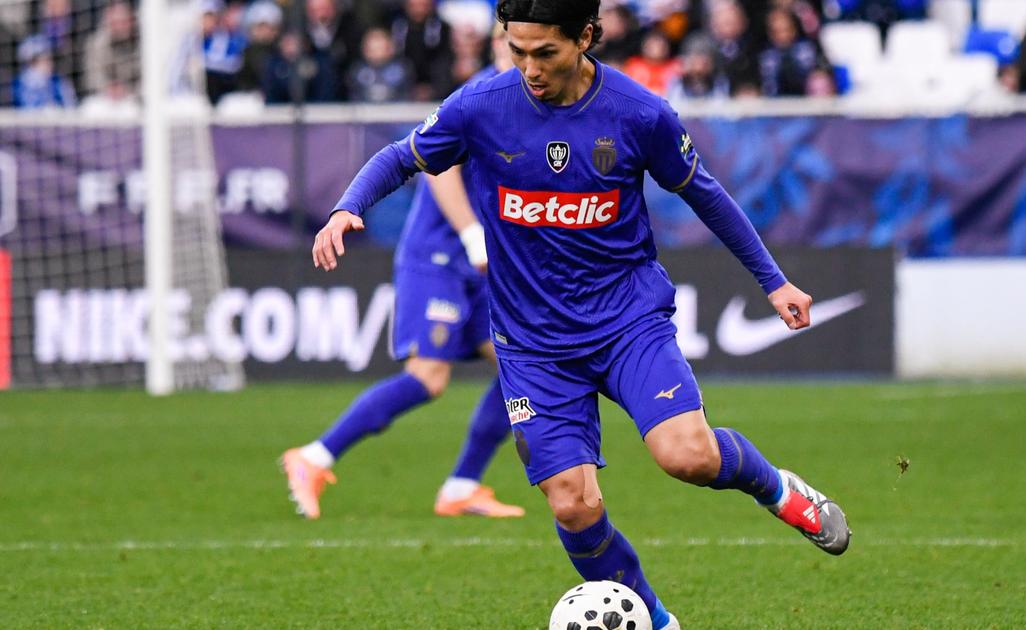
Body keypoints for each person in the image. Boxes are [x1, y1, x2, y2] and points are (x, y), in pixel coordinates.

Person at [310, 2, 851, 628]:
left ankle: (779, 490)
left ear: (586, 37)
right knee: (572, 504)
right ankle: (657, 620)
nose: (530, 68)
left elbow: (704, 193)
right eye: (518, 51)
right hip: (532, 344)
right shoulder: (481, 105)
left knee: (687, 457)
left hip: (626, 322)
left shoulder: (638, 111)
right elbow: (401, 156)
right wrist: (348, 206)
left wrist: (773, 281)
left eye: (545, 52)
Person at [282, 26, 523, 521]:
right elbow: (438, 168)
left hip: (483, 263)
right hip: (438, 258)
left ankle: (461, 486)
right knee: (428, 377)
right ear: (497, 44)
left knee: (520, 367)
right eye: (508, 40)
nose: (517, 51)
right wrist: (471, 233)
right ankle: (314, 457)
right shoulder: (478, 96)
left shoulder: (532, 102)